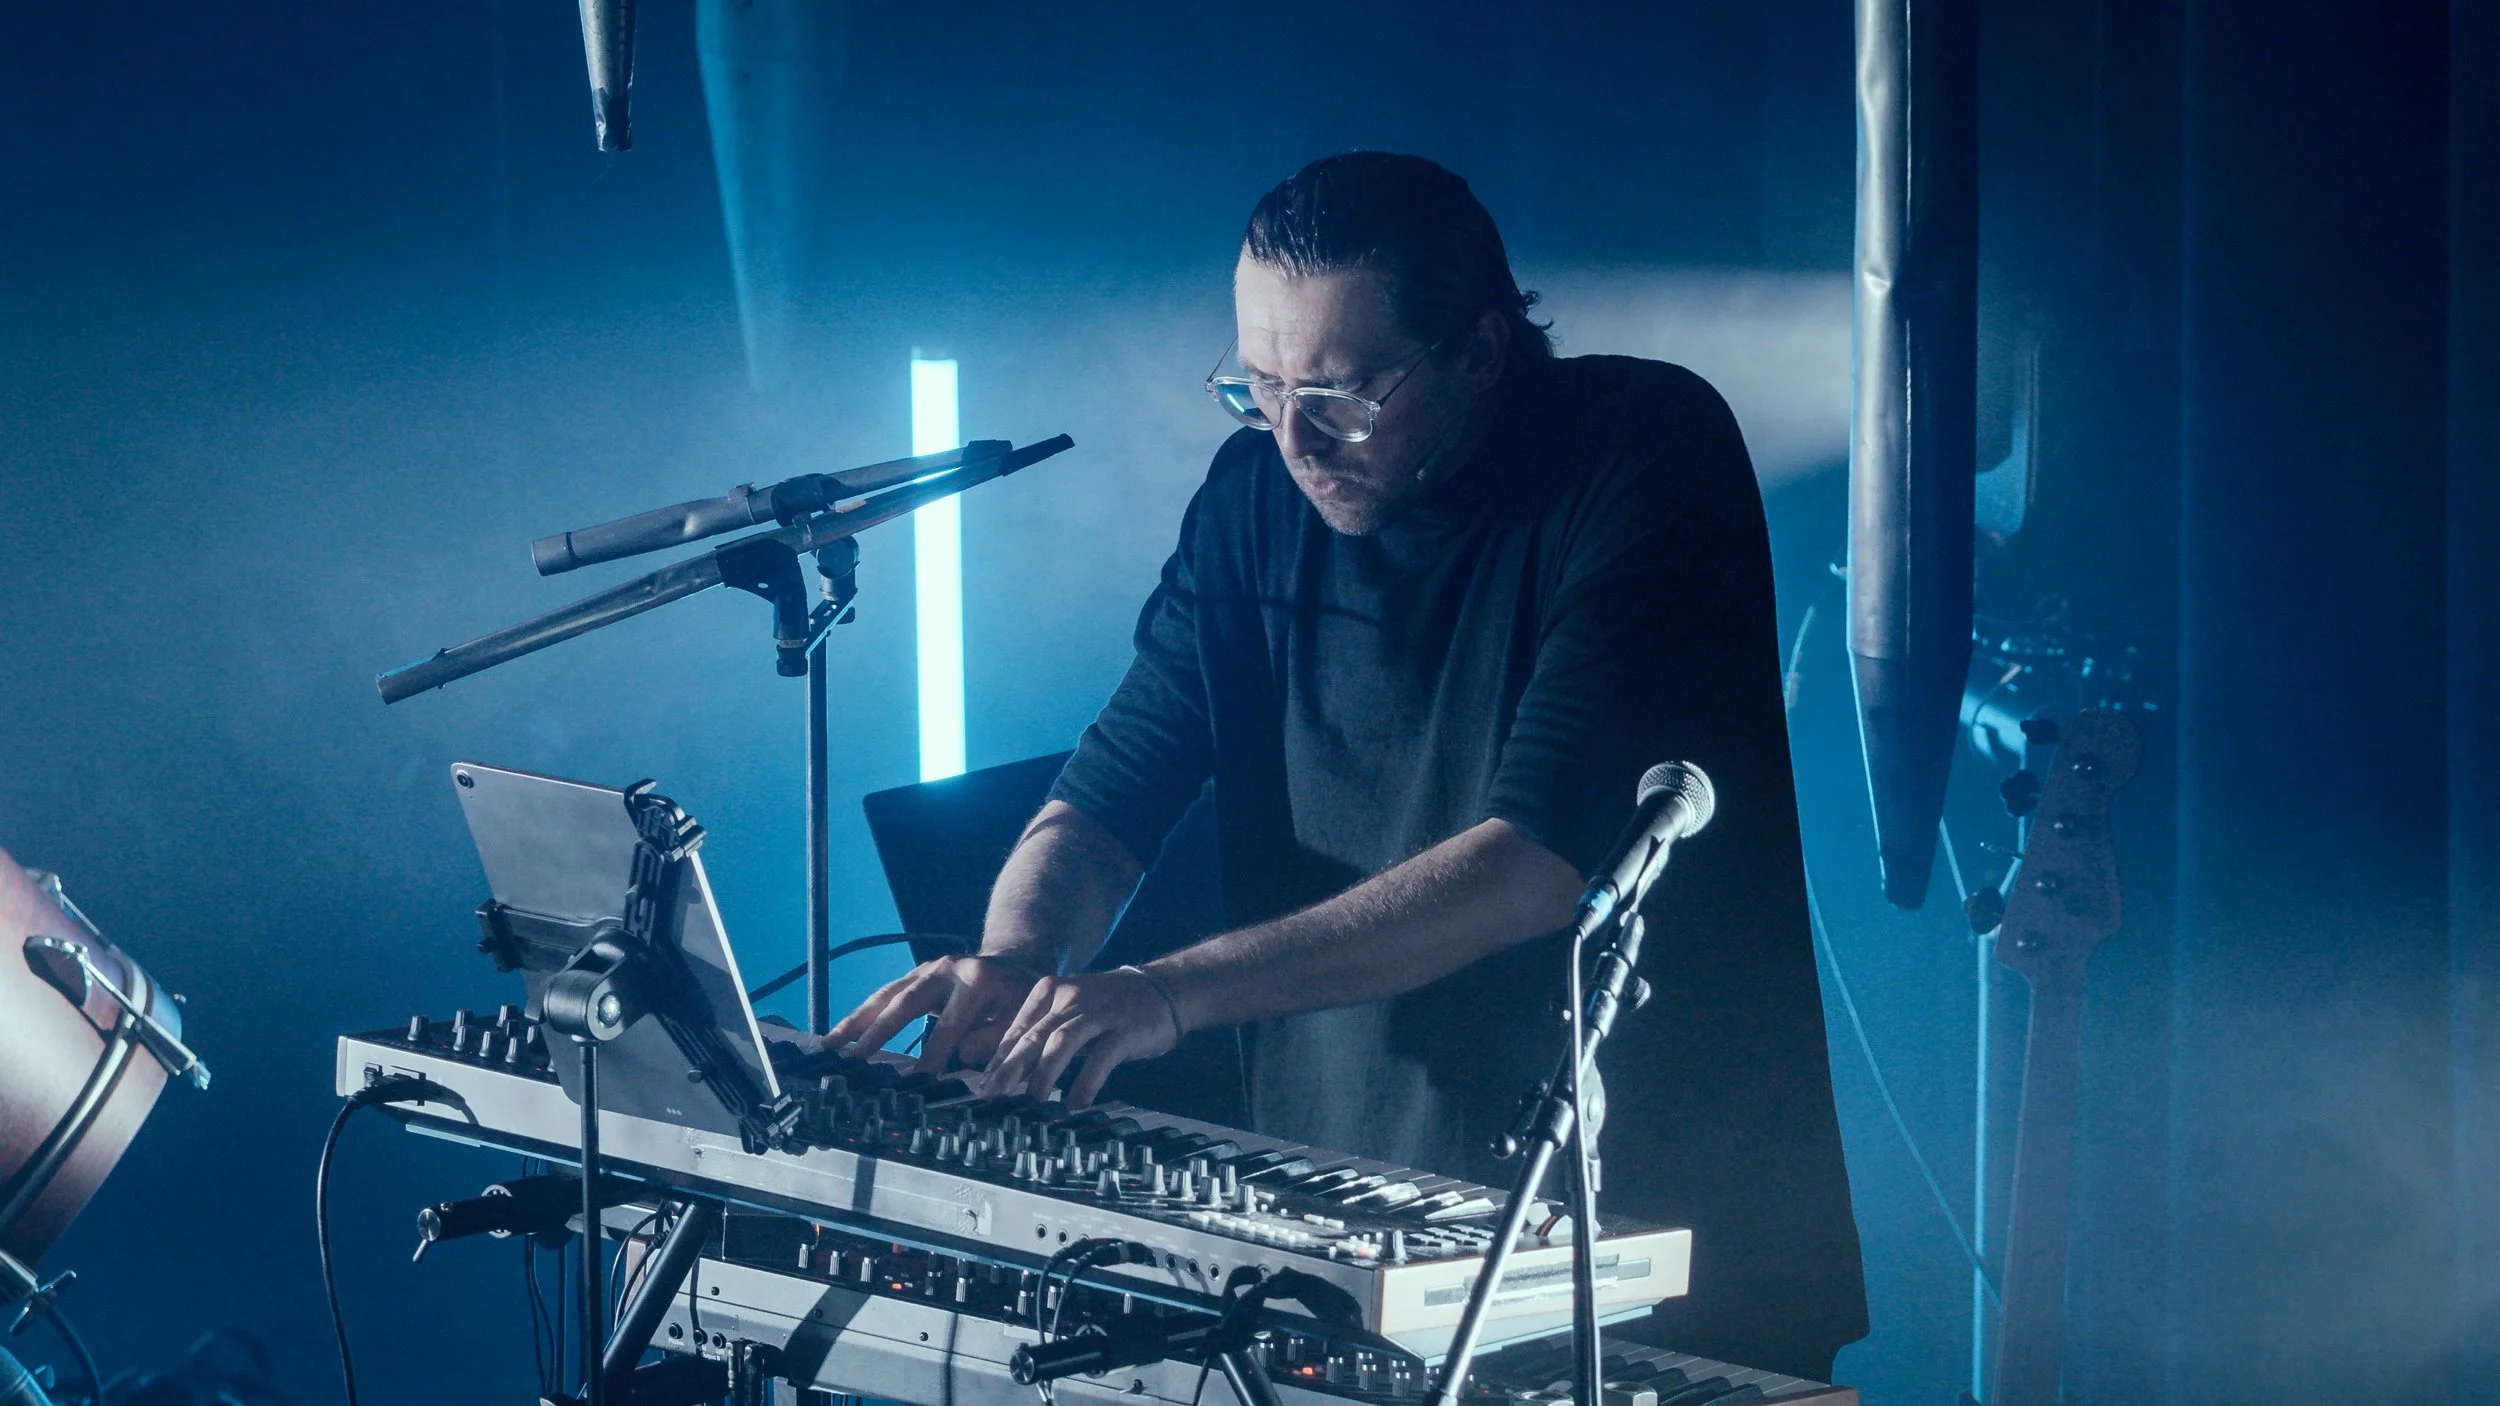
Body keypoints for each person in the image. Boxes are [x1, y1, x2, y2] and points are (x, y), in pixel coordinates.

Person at [830, 152, 1867, 1379]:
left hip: (1655, 1217)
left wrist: (1159, 994)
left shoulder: (1641, 451)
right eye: (1255, 387)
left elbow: (1534, 865)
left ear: (1478, 352)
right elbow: (1106, 799)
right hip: (1361, 1208)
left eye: (1342, 391)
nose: (1294, 436)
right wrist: (1016, 958)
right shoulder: (1248, 504)